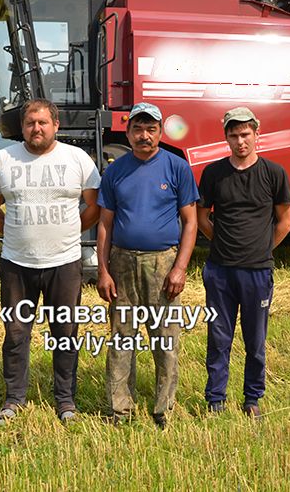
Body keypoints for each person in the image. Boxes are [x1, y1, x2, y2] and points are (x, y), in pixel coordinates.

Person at [0, 99, 100, 424]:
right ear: (22, 127)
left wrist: (74, 229)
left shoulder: (77, 160)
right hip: (17, 265)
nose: (37, 128)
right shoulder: (5, 159)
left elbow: (94, 206)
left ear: (56, 125)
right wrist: (14, 230)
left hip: (64, 263)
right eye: (30, 122)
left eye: (43, 122)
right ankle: (14, 399)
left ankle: (65, 402)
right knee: (16, 333)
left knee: (65, 333)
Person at [96, 102, 199, 429]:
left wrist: (180, 268)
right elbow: (104, 225)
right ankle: (120, 410)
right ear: (127, 132)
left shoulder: (177, 167)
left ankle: (162, 410)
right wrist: (103, 270)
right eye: (137, 129)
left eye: (151, 129)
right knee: (122, 340)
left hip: (163, 264)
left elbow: (191, 222)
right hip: (122, 263)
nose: (144, 135)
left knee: (165, 341)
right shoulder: (115, 171)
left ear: (159, 131)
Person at [197, 107, 290, 418]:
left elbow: (286, 221)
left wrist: (262, 249)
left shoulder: (274, 173)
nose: (240, 141)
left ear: (256, 133)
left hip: (258, 272)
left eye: (245, 134)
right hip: (219, 271)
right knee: (218, 338)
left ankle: (252, 399)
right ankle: (215, 400)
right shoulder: (213, 174)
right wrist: (223, 243)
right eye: (234, 135)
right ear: (225, 137)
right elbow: (201, 218)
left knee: (255, 341)